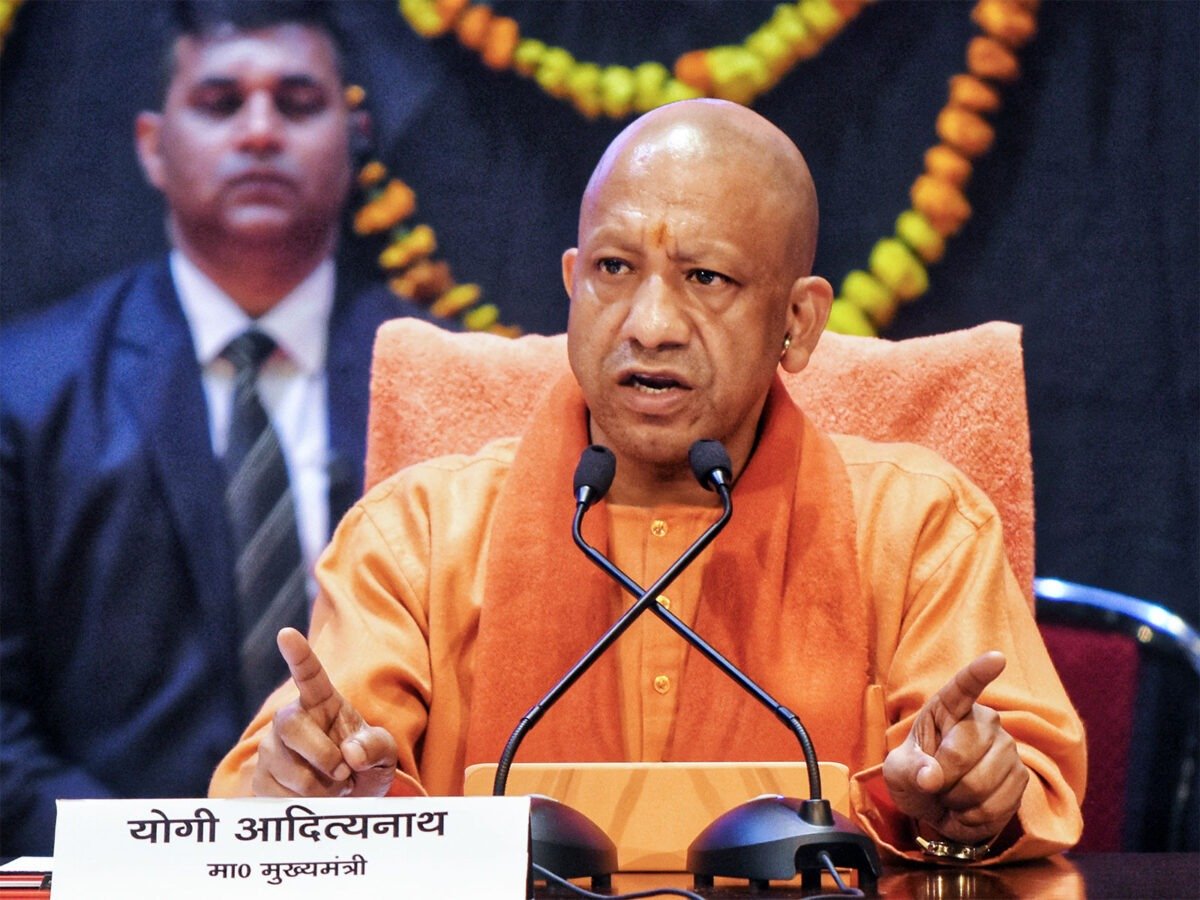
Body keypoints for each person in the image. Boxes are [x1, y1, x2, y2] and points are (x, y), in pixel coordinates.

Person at [210, 98, 1086, 864]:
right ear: (571, 285)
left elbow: (1014, 783)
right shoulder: (416, 534)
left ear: (798, 321)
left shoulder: (917, 525)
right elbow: (285, 786)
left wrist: (963, 799)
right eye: (614, 270)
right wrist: (312, 787)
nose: (651, 323)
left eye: (706, 277)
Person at [0, 1, 435, 855]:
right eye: (221, 102)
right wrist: (163, 864)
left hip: (392, 863)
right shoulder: (26, 392)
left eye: (298, 103)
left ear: (355, 137)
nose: (261, 132)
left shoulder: (440, 376)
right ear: (151, 144)